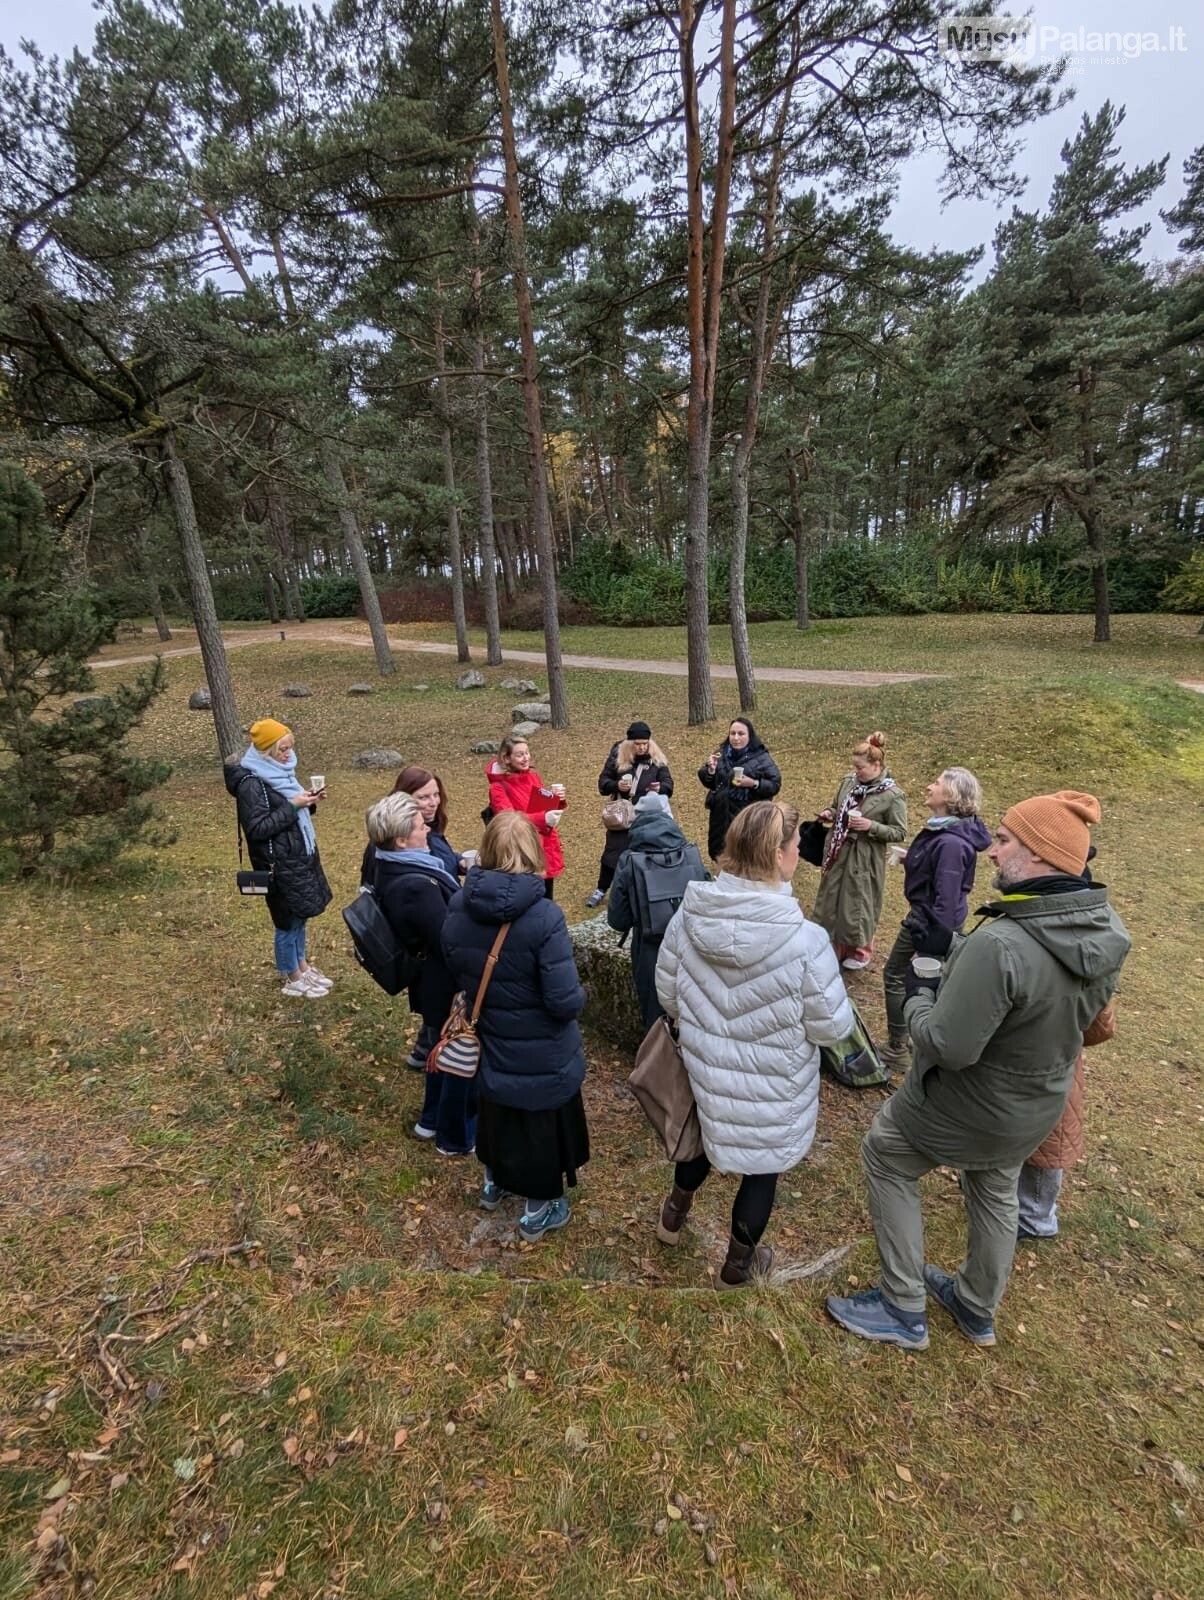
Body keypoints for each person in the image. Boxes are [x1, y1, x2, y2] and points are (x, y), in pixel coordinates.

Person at [826, 790, 1131, 1350]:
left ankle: (901, 1307)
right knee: (994, 1185)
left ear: (1040, 856)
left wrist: (920, 996)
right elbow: (1088, 1027)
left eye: (1007, 840)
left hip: (971, 1103)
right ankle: (975, 1306)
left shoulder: (1004, 944)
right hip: (1036, 1106)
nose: (992, 850)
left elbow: (949, 1045)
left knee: (885, 1155)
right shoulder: (1102, 930)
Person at [653, 802, 854, 1287]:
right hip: (773, 1085)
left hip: (703, 1067)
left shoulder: (688, 916)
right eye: (795, 845)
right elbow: (831, 1028)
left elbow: (667, 994)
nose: (798, 851)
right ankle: (735, 1270)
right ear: (779, 855)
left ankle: (671, 1219)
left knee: (701, 1138)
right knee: (761, 1168)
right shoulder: (807, 941)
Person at [441, 811, 589, 1242]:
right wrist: (582, 998)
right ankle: (539, 1207)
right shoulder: (545, 917)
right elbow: (562, 1000)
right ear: (532, 852)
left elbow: (455, 963)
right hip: (540, 1044)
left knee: (496, 1110)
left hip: (489, 1033)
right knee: (539, 1123)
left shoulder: (458, 904)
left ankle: (494, 1182)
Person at [366, 792, 471, 1157]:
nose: (427, 829)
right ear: (400, 839)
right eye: (419, 826)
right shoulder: (413, 884)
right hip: (441, 982)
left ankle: (429, 1120)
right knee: (454, 1055)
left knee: (440, 1051)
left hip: (430, 979)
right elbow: (448, 940)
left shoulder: (391, 862)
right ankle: (450, 1133)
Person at [880, 767, 990, 1071]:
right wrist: (911, 859)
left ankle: (899, 1049)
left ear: (951, 795)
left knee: (899, 976)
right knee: (924, 981)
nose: (929, 786)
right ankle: (914, 1044)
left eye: (937, 783)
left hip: (932, 923)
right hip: (928, 918)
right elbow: (941, 877)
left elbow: (948, 897)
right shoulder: (945, 830)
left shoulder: (952, 842)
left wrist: (929, 946)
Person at [225, 718, 332, 998]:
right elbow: (258, 829)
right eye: (282, 749)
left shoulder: (283, 772)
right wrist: (293, 805)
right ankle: (292, 976)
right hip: (277, 863)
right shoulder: (251, 783)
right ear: (267, 751)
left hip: (297, 856)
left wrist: (307, 802)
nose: (288, 754)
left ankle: (303, 966)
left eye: (289, 747)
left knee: (300, 915)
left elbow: (291, 813)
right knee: (286, 920)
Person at [606, 793, 707, 1030]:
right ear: (669, 818)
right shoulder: (691, 854)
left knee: (656, 1018)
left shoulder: (629, 860)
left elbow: (617, 919)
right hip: (693, 944)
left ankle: (658, 1062)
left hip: (650, 950)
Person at [811, 730, 907, 971]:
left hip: (864, 857)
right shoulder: (848, 782)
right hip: (838, 850)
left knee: (858, 902)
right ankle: (832, 946)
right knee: (831, 898)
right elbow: (836, 807)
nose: (856, 772)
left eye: (861, 767)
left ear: (877, 765)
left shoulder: (893, 796)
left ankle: (860, 950)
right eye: (854, 767)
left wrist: (870, 826)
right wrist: (829, 814)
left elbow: (898, 831)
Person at [587, 720, 674, 908]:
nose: (642, 747)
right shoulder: (618, 759)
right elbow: (603, 782)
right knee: (612, 853)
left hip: (647, 817)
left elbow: (669, 784)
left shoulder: (657, 761)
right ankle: (601, 889)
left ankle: (647, 889)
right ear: (629, 743)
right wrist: (616, 785)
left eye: (645, 743)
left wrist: (660, 787)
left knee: (647, 852)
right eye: (637, 743)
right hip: (622, 816)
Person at [484, 736, 566, 898]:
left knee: (547, 897)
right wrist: (544, 819)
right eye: (520, 755)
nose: (526, 758)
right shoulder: (497, 788)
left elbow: (541, 806)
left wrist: (557, 799)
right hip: (522, 851)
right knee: (530, 898)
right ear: (506, 758)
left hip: (545, 845)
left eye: (527, 753)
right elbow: (508, 822)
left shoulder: (533, 776)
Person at [360, 765, 466, 891]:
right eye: (423, 797)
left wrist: (460, 862)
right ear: (404, 800)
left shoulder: (429, 826)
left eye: (436, 794)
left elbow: (439, 854)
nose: (434, 803)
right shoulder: (393, 844)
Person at [696, 717, 781, 862]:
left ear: (750, 736)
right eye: (732, 733)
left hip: (748, 816)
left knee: (745, 856)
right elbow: (712, 783)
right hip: (721, 814)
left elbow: (774, 784)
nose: (736, 738)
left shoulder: (761, 758)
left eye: (741, 734)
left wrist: (753, 783)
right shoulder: (721, 754)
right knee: (720, 853)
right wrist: (710, 770)